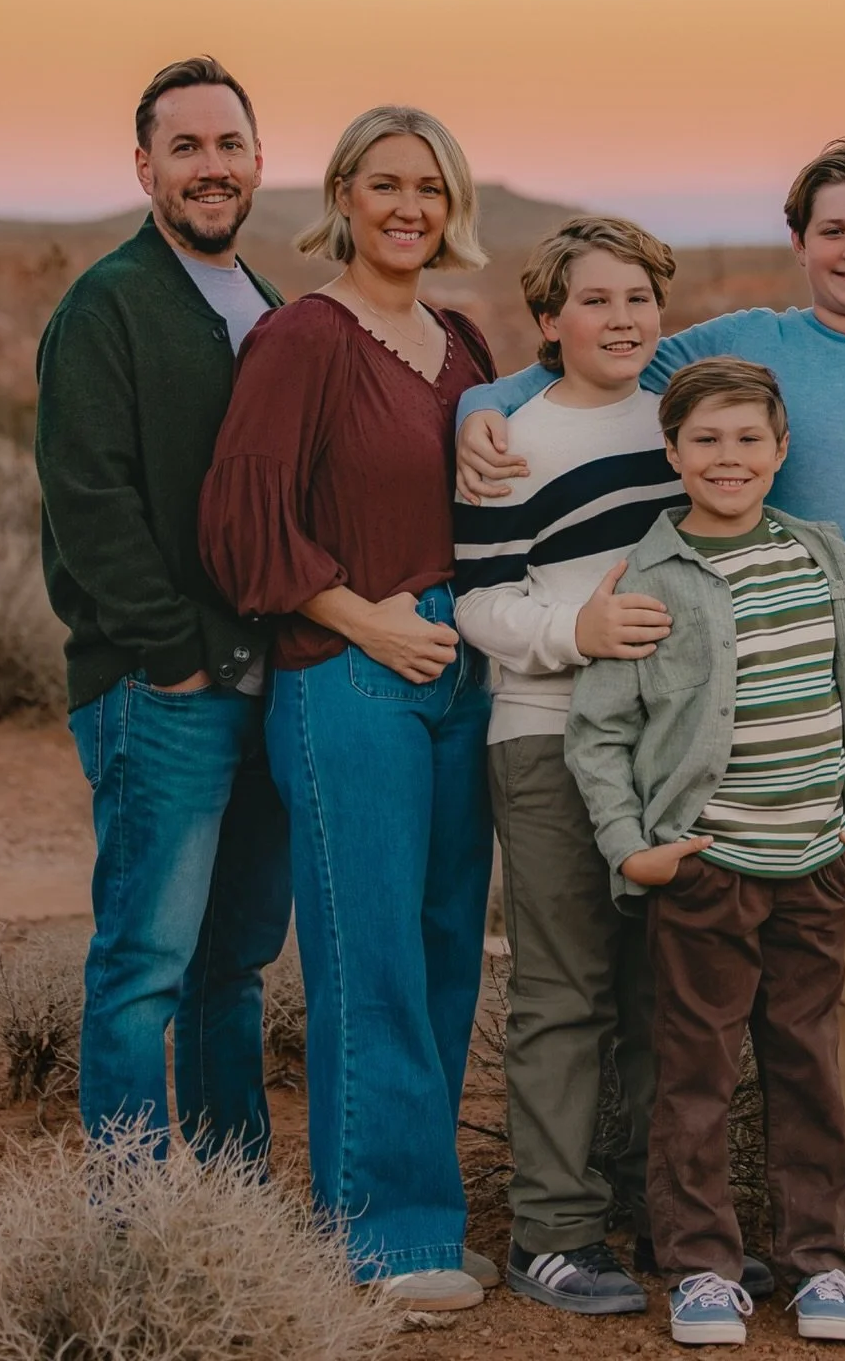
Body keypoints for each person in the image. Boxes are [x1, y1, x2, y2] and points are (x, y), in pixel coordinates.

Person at [457, 140, 845, 1302]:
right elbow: (598, 360)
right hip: (794, 732)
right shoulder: (748, 348)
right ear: (801, 243)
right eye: (833, 229)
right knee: (805, 995)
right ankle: (793, 1237)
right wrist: (486, 402)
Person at [199, 106, 497, 1312]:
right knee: (364, 950)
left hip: (462, 673)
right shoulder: (302, 337)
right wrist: (365, 619)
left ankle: (421, 1212)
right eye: (386, 185)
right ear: (341, 194)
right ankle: (378, 1238)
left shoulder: (463, 338)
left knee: (441, 952)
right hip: (348, 672)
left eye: (430, 187)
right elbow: (240, 517)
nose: (409, 207)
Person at [453, 216, 771, 1315]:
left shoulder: (681, 428)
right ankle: (552, 1230)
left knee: (666, 988)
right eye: (595, 300)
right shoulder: (509, 437)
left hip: (675, 749)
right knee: (564, 987)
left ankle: (669, 1217)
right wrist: (574, 636)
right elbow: (481, 599)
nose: (622, 317)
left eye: (638, 297)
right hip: (544, 732)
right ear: (549, 321)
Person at [565, 359, 845, 1346]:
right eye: (705, 440)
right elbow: (598, 733)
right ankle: (703, 1268)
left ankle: (817, 1263)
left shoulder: (822, 555)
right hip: (707, 871)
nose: (728, 458)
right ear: (672, 453)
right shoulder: (649, 576)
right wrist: (636, 851)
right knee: (695, 1074)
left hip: (815, 862)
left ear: (781, 450)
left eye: (748, 439)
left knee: (807, 1069)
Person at [35, 55, 291, 1160]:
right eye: (184, 147)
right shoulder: (107, 306)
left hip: (268, 687)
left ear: (259, 162)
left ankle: (230, 1205)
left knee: (233, 967)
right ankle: (132, 1221)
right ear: (144, 166)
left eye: (228, 144)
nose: (210, 166)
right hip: (164, 689)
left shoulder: (269, 306)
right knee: (145, 965)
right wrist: (176, 654)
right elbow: (88, 500)